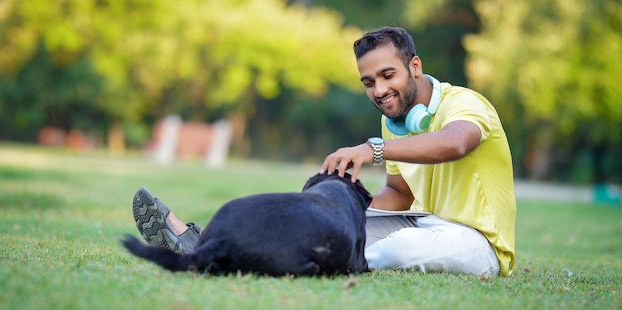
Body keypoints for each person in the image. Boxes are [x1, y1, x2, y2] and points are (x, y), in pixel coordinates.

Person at [131, 26, 516, 277]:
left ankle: (245, 261)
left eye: (387, 76)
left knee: (399, 249)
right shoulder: (394, 120)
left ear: (414, 66)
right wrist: (319, 212)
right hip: (423, 219)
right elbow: (400, 195)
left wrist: (373, 150)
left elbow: (456, 142)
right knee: (326, 229)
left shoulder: (466, 103)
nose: (379, 91)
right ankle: (201, 244)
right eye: (368, 82)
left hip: (477, 242)